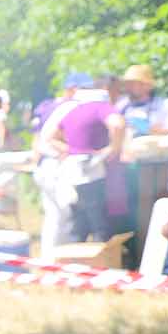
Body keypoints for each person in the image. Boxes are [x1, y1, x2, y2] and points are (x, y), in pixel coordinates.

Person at [37, 74, 126, 244]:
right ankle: (103, 264)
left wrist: (71, 150)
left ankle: (75, 264)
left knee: (78, 224)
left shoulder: (74, 111)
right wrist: (114, 149)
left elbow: (50, 137)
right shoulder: (100, 107)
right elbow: (118, 124)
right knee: (100, 223)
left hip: (71, 173)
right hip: (91, 172)